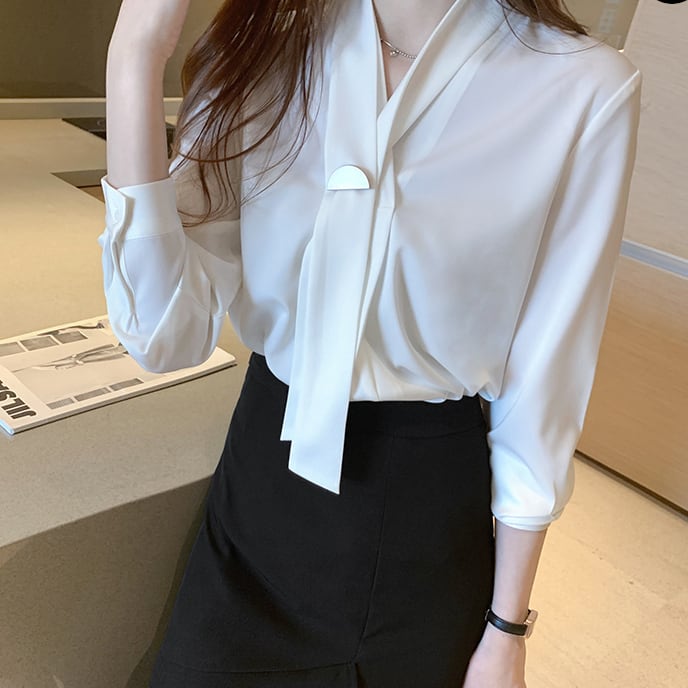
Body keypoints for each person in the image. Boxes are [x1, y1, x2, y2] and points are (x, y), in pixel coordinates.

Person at [101, 0, 641, 686]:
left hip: (423, 520)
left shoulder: (582, 86)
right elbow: (161, 335)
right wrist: (135, 53)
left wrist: (506, 630)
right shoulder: (257, 48)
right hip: (258, 492)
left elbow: (546, 375)